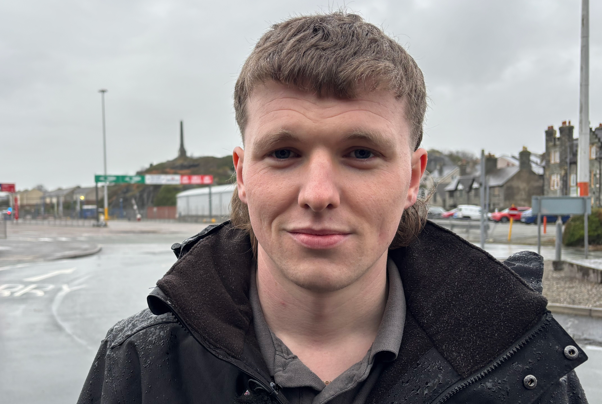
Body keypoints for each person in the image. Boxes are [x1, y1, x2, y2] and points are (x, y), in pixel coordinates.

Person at [78, 12, 588, 403]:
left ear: (412, 177)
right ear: (241, 175)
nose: (318, 193)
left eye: (360, 153)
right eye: (283, 153)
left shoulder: (517, 361)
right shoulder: (141, 363)